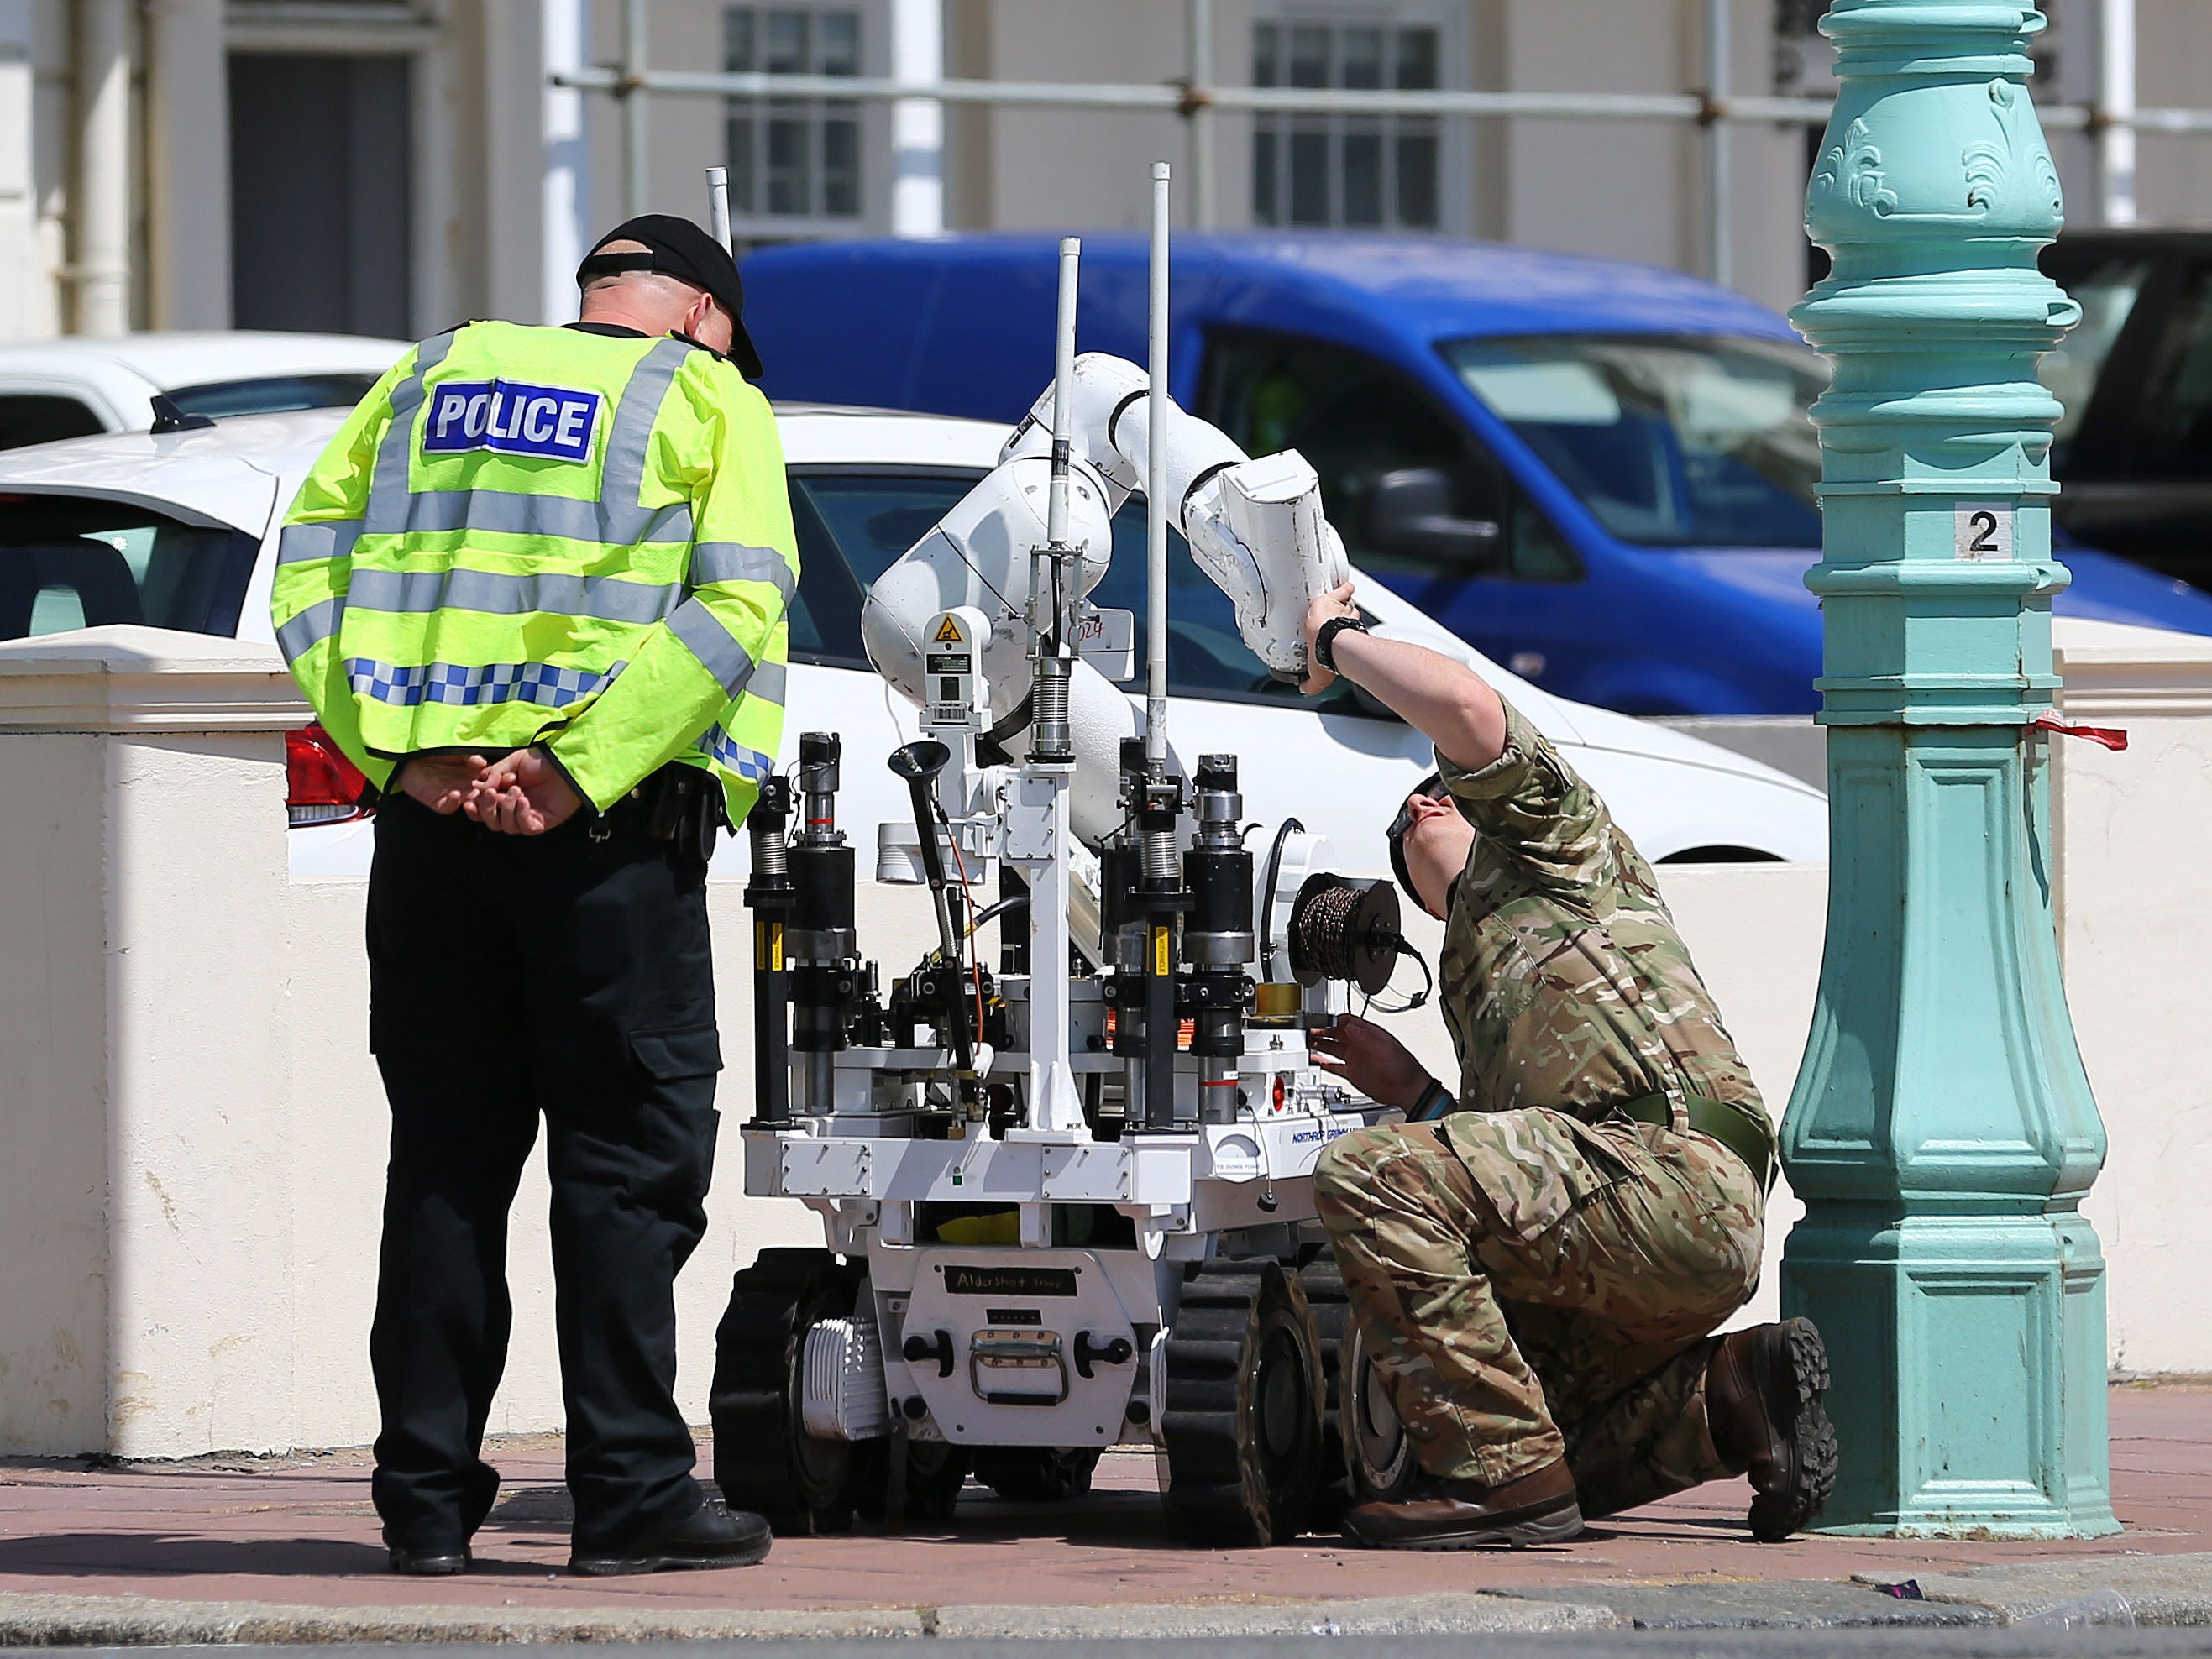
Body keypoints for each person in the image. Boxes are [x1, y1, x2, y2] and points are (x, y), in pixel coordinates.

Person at [270, 215, 797, 1578]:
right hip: (604, 850)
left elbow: (309, 569)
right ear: (705, 318)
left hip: (431, 836)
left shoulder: (431, 372)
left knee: (446, 1165)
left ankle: (425, 1508)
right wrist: (573, 772)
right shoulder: (703, 396)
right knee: (624, 1170)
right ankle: (627, 1496)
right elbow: (736, 609)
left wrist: (406, 753)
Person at [1297, 582, 1836, 1551]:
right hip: (1650, 1222)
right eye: (1407, 830)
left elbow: (1465, 710)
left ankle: (1506, 1489)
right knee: (1542, 1427)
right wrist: (1416, 1091)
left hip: (1674, 1173)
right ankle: (1732, 1394)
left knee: (1367, 1174)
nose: (1421, 810)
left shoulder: (1556, 846)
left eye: (1431, 802)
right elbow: (1522, 1185)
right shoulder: (1477, 981)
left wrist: (1338, 640)